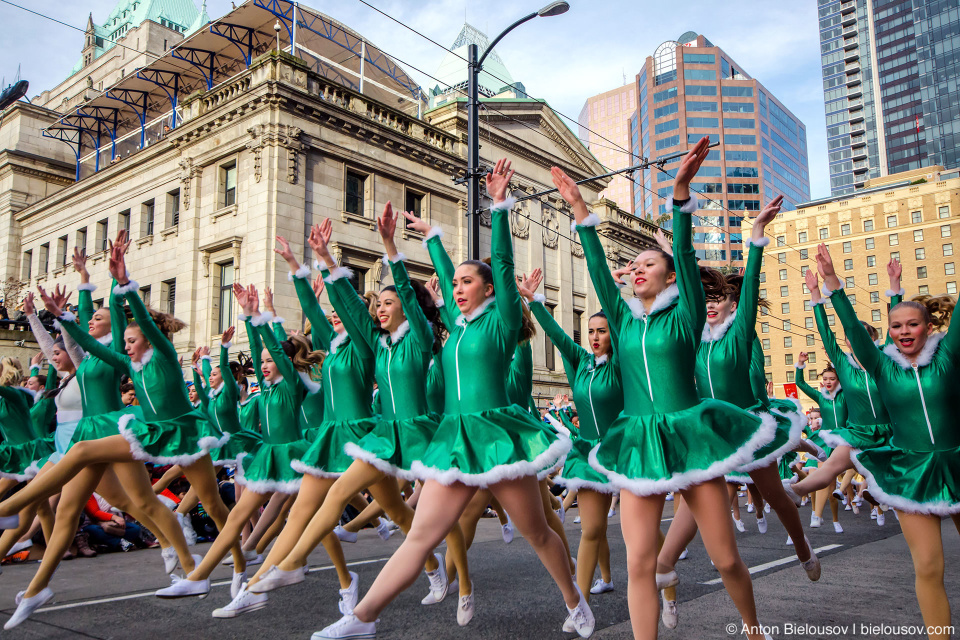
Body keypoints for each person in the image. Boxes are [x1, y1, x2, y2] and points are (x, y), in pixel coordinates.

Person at [314, 159, 590, 639]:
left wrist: (499, 207)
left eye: (468, 282)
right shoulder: (455, 329)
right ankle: (361, 619)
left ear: (487, 290)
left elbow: (501, 266)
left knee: (538, 533)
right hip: (456, 440)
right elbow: (427, 277)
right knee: (420, 537)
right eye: (455, 283)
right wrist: (424, 239)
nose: (458, 288)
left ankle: (575, 601)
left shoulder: (501, 321)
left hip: (498, 439)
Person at [558, 137, 770, 640]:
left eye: (647, 265)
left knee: (725, 558)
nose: (635, 270)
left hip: (689, 434)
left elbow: (684, 248)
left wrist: (680, 193)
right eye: (632, 267)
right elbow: (596, 268)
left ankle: (754, 628)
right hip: (636, 440)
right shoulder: (622, 323)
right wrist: (579, 208)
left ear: (671, 276)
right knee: (639, 564)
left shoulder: (687, 312)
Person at [244, 205, 474, 626]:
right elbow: (343, 305)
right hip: (384, 435)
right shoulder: (375, 342)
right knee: (337, 496)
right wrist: (324, 261)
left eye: (389, 303)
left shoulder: (420, 338)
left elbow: (404, 292)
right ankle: (290, 564)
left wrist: (390, 246)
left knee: (437, 519)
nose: (382, 309)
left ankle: (462, 584)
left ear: (406, 308)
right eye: (379, 304)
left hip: (424, 434)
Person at [0, 236, 241, 584]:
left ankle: (236, 563)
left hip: (183, 433)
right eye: (124, 343)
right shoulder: (117, 364)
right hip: (134, 434)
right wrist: (62, 317)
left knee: (211, 504)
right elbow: (81, 340)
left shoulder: (164, 356)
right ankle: (36, 576)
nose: (126, 347)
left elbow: (121, 320)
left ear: (146, 337)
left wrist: (122, 282)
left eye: (131, 341)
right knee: (123, 500)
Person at [652, 196, 818, 630]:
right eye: (704, 299)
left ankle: (801, 545)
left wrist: (757, 237)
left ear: (729, 304)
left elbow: (751, 286)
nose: (709, 304)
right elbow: (678, 290)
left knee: (777, 495)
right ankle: (665, 575)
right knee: (696, 496)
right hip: (709, 432)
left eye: (718, 299)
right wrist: (668, 256)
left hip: (748, 427)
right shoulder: (688, 336)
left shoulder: (738, 334)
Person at [816, 243, 959, 640]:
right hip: (910, 470)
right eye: (896, 327)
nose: (904, 332)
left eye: (912, 324)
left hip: (958, 461)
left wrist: (897, 287)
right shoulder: (881, 366)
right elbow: (848, 329)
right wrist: (830, 282)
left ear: (928, 327)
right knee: (929, 568)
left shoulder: (949, 355)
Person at [154, 285, 320, 602]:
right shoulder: (266, 389)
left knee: (304, 518)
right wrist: (247, 317)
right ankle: (210, 573)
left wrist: (254, 314)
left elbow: (268, 343)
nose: (265, 365)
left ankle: (336, 574)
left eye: (272, 361)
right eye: (263, 362)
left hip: (294, 454)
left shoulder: (290, 385)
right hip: (268, 455)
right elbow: (259, 349)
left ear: (285, 362)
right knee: (239, 513)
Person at [518, 268, 621, 606]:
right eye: (590, 331)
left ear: (613, 335)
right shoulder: (581, 361)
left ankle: (666, 583)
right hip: (589, 453)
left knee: (644, 535)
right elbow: (559, 335)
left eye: (601, 331)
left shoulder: (620, 364)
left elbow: (620, 324)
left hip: (624, 450)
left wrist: (615, 294)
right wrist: (534, 302)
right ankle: (580, 604)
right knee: (591, 530)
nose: (593, 337)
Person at [783, 261, 903, 521]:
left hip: (892, 431)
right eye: (850, 339)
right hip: (858, 431)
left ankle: (880, 496)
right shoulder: (844, 367)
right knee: (832, 466)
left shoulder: (884, 359)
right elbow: (825, 333)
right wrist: (815, 293)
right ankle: (794, 491)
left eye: (862, 337)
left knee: (899, 477)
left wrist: (895, 286)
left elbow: (897, 326)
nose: (854, 342)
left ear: (873, 340)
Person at [794, 354, 845, 532]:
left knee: (834, 485)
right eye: (825, 379)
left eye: (832, 378)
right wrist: (800, 364)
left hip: (846, 438)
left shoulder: (846, 395)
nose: (828, 382)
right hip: (828, 442)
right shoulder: (821, 397)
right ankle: (819, 515)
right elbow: (800, 384)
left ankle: (837, 515)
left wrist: (833, 358)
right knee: (827, 482)